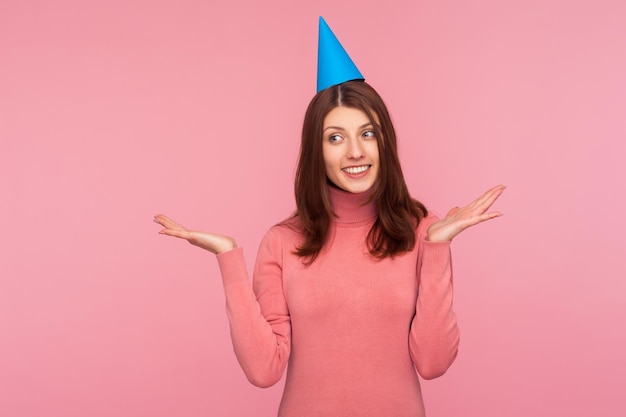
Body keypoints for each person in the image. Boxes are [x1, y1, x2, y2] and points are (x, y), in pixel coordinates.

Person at [154, 18, 504, 417]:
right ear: (316, 151)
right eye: (335, 138)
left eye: (367, 133)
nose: (354, 151)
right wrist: (229, 257)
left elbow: (434, 363)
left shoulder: (422, 231)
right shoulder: (283, 242)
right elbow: (263, 370)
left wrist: (437, 248)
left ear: (384, 141)